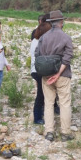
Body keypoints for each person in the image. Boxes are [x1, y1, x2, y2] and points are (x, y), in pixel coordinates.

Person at [35, 10, 74, 142]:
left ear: (51, 22)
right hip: (63, 75)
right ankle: (65, 133)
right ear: (62, 22)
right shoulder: (66, 37)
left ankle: (49, 132)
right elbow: (67, 58)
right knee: (64, 103)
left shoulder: (43, 38)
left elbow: (37, 55)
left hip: (46, 75)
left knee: (48, 103)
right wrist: (58, 74)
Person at [30, 22, 51, 124]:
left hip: (35, 70)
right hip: (39, 70)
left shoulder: (35, 40)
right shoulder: (40, 42)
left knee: (41, 94)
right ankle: (37, 117)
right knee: (40, 95)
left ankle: (40, 113)